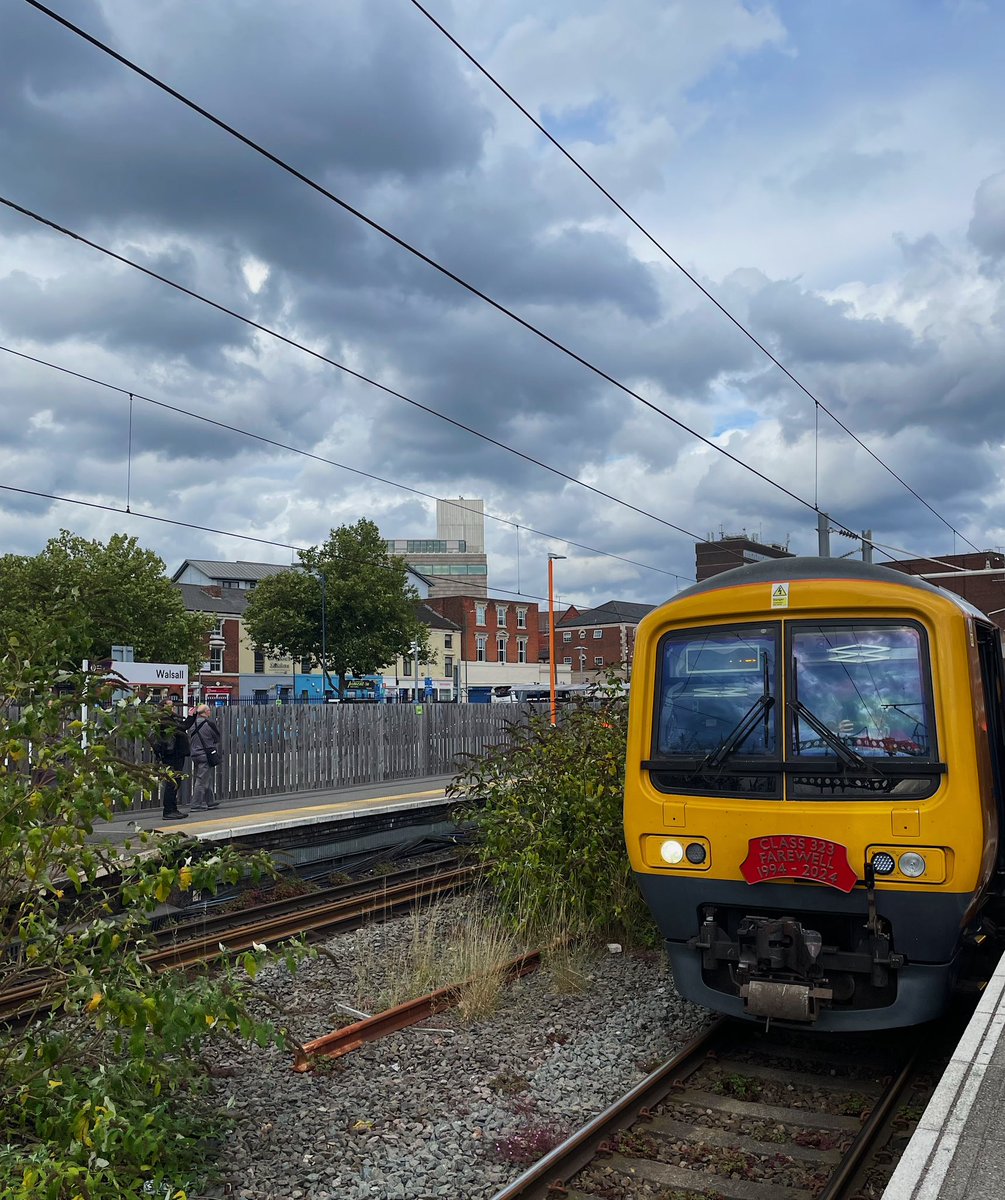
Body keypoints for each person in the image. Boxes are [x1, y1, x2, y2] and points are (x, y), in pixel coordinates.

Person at [150, 699, 189, 820]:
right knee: (172, 782)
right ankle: (168, 811)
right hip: (172, 754)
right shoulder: (165, 720)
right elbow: (182, 727)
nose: (173, 708)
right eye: (170, 706)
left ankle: (173, 808)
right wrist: (192, 716)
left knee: (175, 782)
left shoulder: (169, 719)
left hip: (175, 753)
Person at [185, 703, 222, 811]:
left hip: (195, 754)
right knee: (201, 780)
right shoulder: (209, 724)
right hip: (205, 754)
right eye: (209, 711)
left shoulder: (192, 724)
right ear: (205, 712)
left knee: (206, 777)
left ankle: (210, 801)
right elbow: (217, 738)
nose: (210, 712)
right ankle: (196, 804)